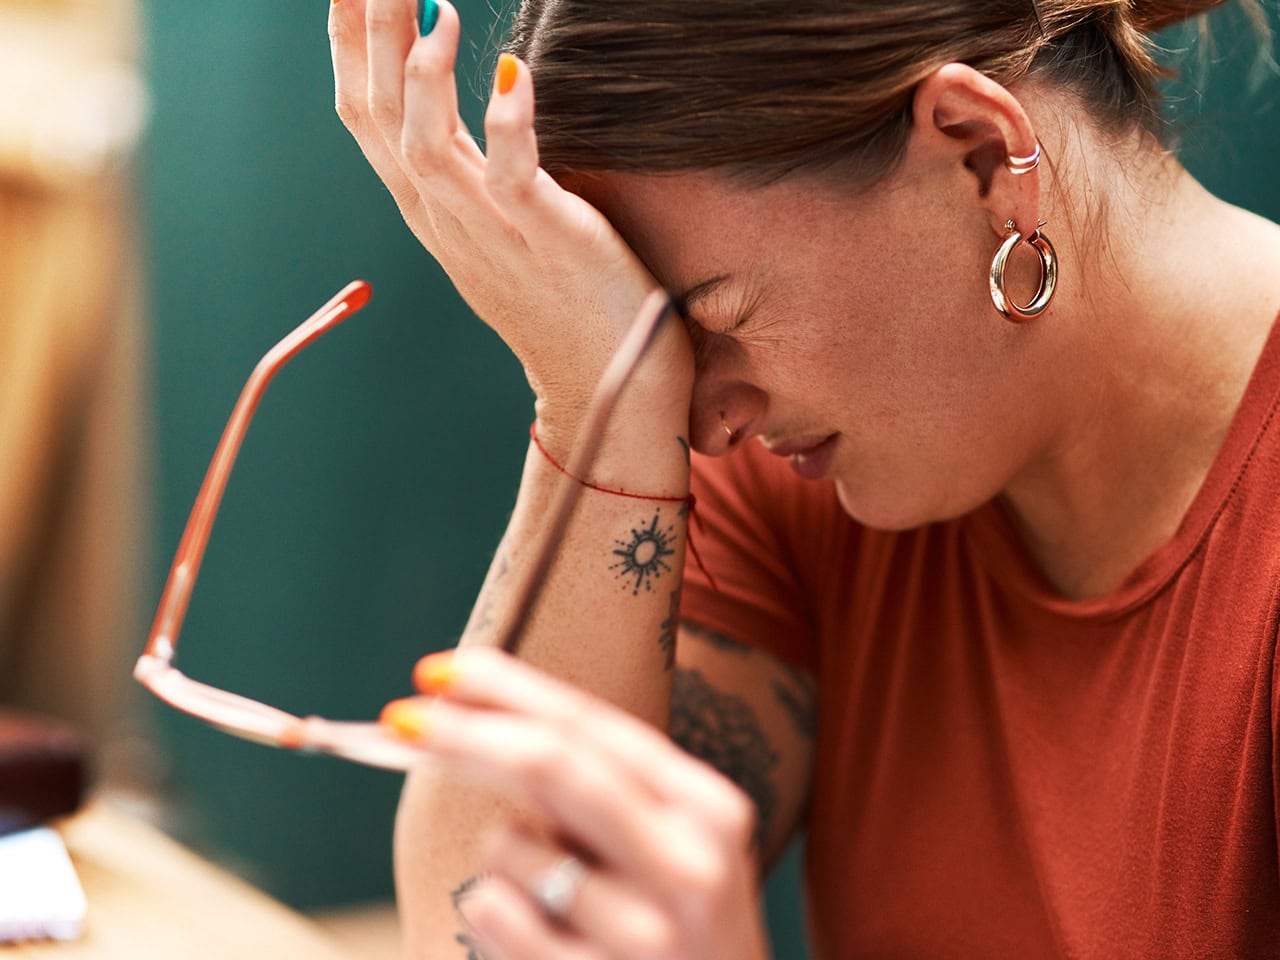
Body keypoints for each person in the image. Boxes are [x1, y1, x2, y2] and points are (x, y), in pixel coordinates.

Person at [329, 0, 1280, 956]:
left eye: (720, 320)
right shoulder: (816, 472)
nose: (701, 426)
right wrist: (593, 403)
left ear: (985, 157)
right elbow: (478, 933)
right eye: (655, 346)